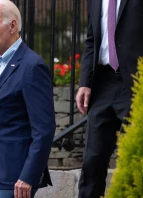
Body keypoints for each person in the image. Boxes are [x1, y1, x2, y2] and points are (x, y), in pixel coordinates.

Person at [0, 0, 56, 197]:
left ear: (12, 26)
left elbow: (44, 129)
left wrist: (29, 176)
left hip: (14, 181)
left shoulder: (32, 66)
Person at [75, 0, 143, 197]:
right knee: (92, 159)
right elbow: (91, 39)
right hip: (102, 83)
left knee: (133, 158)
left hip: (135, 80)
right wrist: (85, 82)